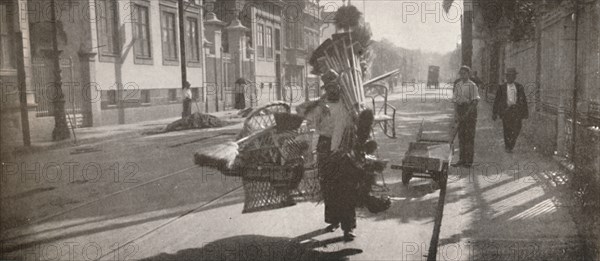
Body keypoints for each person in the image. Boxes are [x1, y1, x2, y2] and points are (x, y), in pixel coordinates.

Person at [296, 69, 358, 241]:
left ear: (339, 85)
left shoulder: (348, 103)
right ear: (325, 89)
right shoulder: (320, 107)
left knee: (346, 186)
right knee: (329, 185)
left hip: (345, 145)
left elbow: (357, 120)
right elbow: (299, 110)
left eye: (335, 85)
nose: (332, 89)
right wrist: (315, 103)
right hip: (325, 145)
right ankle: (333, 220)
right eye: (329, 87)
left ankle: (348, 228)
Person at [492, 68, 529, 153]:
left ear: (515, 77)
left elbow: (524, 100)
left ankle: (511, 144)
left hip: (516, 110)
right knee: (507, 129)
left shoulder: (519, 87)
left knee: (517, 128)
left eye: (513, 76)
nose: (511, 78)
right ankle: (508, 146)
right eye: (509, 76)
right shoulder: (502, 87)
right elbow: (496, 100)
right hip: (506, 111)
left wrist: (525, 113)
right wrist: (494, 113)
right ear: (506, 77)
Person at [452, 66, 480, 168]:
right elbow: (455, 100)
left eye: (464, 73)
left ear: (469, 74)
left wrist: (467, 114)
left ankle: (469, 161)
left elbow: (475, 101)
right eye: (461, 74)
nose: (462, 75)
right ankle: (461, 159)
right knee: (461, 136)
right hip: (460, 109)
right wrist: (456, 113)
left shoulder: (472, 85)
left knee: (469, 136)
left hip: (470, 111)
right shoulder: (458, 85)